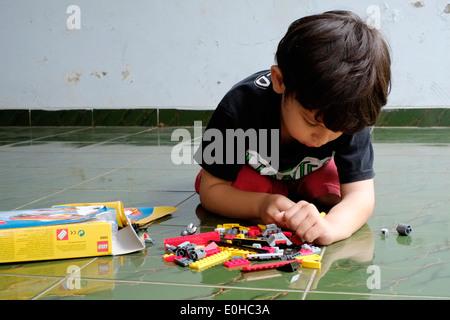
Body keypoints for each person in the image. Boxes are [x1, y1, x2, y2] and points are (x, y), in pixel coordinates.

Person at [193, 10, 391, 245]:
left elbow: (360, 195)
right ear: (279, 81)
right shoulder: (240, 107)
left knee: (334, 190)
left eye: (335, 131)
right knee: (241, 186)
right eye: (311, 122)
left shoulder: (347, 112)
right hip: (255, 175)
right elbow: (211, 190)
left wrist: (332, 228)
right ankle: (273, 192)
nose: (321, 139)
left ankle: (296, 188)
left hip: (311, 172)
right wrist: (261, 205)